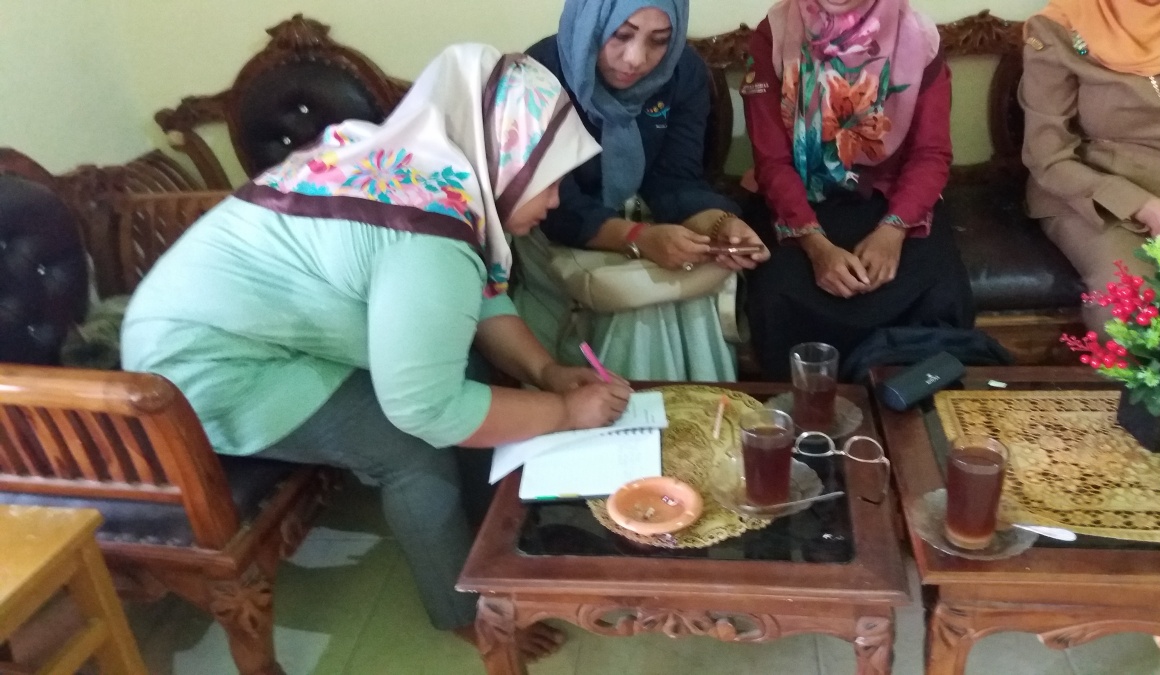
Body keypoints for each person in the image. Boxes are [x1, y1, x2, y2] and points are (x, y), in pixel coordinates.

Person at [120, 44, 631, 659]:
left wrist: (546, 372)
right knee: (410, 447)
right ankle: (462, 613)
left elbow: (477, 295)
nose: (554, 201)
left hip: (240, 332)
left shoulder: (427, 169)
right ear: (505, 158)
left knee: (468, 371)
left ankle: (484, 542)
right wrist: (566, 413)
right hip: (197, 373)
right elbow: (425, 410)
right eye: (549, 180)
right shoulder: (428, 230)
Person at [514, 0, 770, 382]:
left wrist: (720, 225)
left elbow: (676, 179)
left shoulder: (682, 72)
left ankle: (694, 416)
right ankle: (632, 413)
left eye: (659, 40)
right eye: (621, 35)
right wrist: (638, 238)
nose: (635, 59)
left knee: (678, 289)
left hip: (643, 222)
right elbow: (554, 203)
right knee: (642, 305)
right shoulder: (541, 72)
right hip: (553, 233)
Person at [740, 0, 973, 381]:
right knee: (779, 295)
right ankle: (811, 410)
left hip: (892, 201)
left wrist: (893, 231)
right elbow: (772, 161)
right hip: (800, 200)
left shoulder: (918, 37)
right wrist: (817, 247)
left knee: (939, 291)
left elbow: (930, 154)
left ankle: (914, 408)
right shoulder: (775, 34)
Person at [1021, 0, 1160, 333]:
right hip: (1091, 195)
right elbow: (1047, 156)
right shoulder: (1060, 27)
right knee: (1133, 310)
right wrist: (1145, 206)